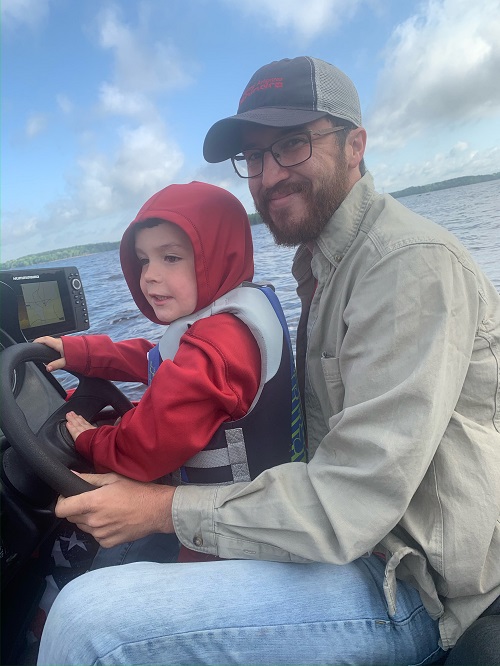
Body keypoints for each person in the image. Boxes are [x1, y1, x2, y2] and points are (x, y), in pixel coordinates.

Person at [38, 56, 500, 666]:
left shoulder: (404, 267)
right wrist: (82, 352)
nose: (268, 174)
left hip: (406, 583)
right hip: (351, 544)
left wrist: (160, 508)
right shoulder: (323, 268)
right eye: (254, 159)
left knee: (88, 623)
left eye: (292, 146)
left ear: (355, 144)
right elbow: (157, 354)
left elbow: (353, 499)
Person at [36, 180, 305, 565]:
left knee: (100, 587)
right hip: (248, 504)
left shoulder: (219, 345)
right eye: (144, 260)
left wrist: (91, 440)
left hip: (228, 545)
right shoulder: (233, 315)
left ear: (217, 255)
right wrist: (83, 352)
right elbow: (162, 358)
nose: (150, 275)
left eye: (171, 258)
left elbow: (142, 448)